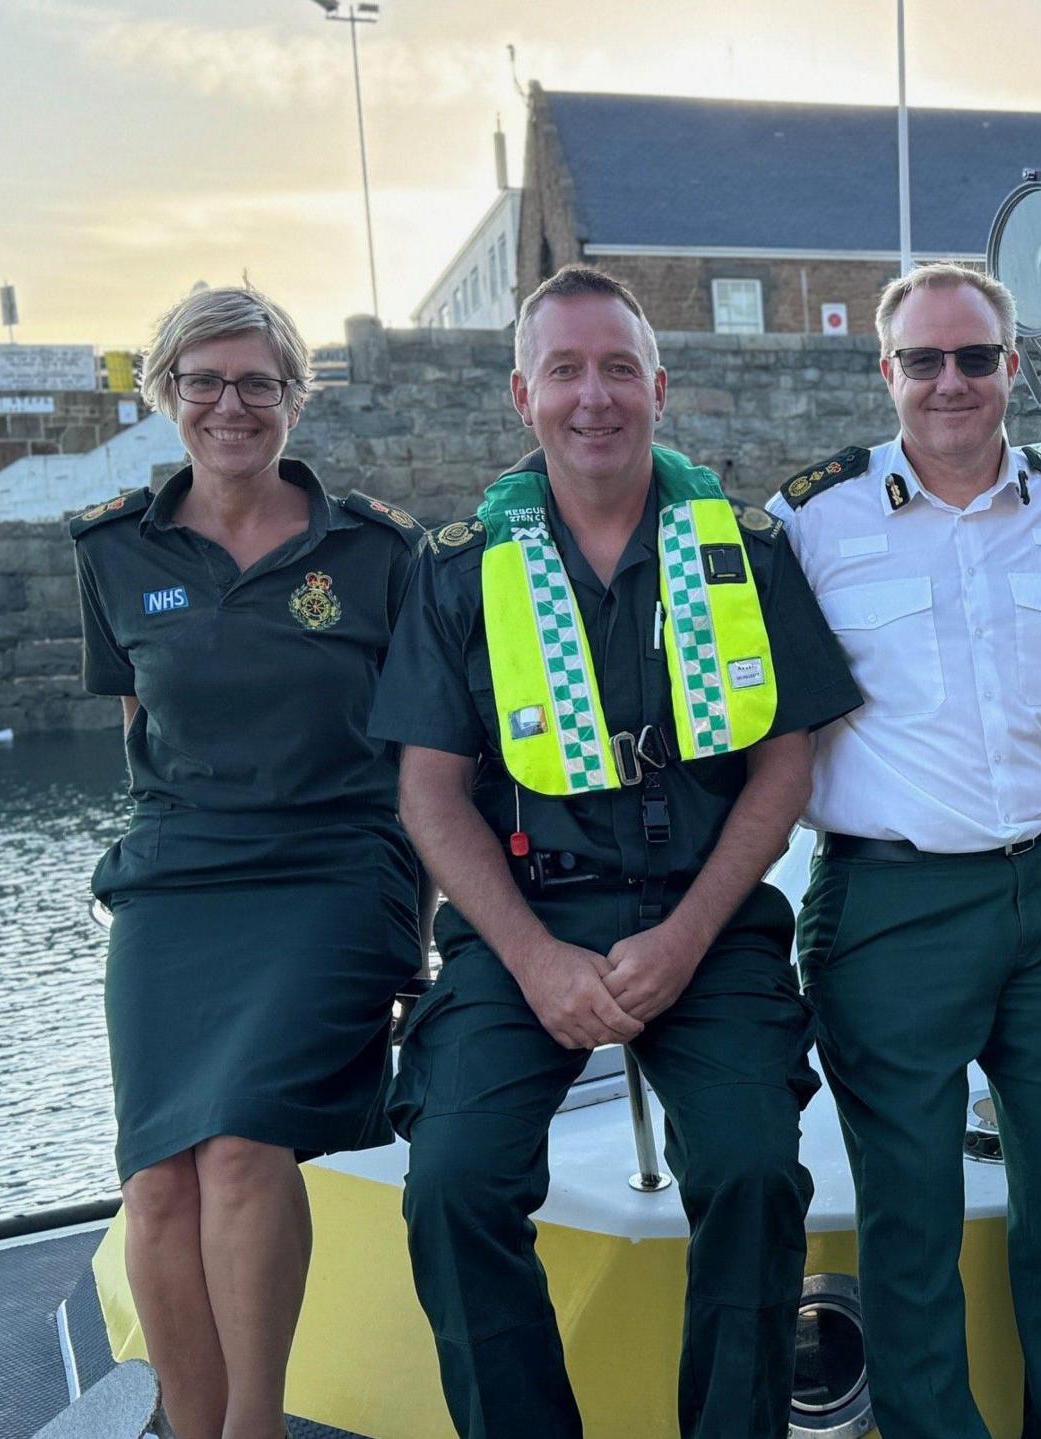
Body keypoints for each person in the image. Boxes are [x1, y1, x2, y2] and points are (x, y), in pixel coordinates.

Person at [368, 265, 860, 1438]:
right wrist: (536, 961)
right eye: (567, 371)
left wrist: (687, 937)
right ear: (521, 393)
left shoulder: (741, 550)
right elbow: (431, 797)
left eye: (620, 369)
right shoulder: (457, 570)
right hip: (526, 923)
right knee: (453, 1183)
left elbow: (784, 768)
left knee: (749, 1172)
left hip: (707, 920)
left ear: (659, 384)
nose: (597, 396)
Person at [769, 262, 1041, 1439]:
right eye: (922, 359)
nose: (950, 381)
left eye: (974, 356)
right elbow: (771, 722)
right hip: (890, 903)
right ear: (886, 374)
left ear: (1012, 366)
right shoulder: (808, 521)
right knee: (910, 1219)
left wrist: (1008, 768)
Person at [73, 285, 426, 1439]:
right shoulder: (114, 549)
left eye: (257, 382)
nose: (231, 404)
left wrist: (422, 920)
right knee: (154, 1180)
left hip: (333, 870)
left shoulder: (376, 551)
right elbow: (141, 727)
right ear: (165, 390)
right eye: (204, 380)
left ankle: (252, 1427)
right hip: (177, 882)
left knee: (235, 1147)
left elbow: (429, 743)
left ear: (292, 397)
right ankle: (195, 1423)